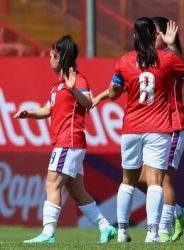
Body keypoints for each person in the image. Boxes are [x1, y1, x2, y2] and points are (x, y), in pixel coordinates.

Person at [107, 17, 184, 243]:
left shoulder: (124, 61)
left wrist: (113, 89)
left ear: (135, 36)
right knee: (156, 181)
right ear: (154, 36)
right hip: (159, 126)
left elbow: (114, 92)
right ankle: (154, 231)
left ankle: (124, 231)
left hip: (132, 127)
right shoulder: (166, 59)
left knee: (128, 181)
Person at [16, 35, 116, 244]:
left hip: (69, 141)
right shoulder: (56, 85)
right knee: (77, 192)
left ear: (60, 57)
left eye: (52, 56)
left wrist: (73, 89)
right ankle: (105, 227)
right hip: (68, 143)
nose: (49, 60)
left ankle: (48, 233)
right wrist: (29, 113)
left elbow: (89, 103)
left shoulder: (77, 79)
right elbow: (48, 110)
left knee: (52, 184)